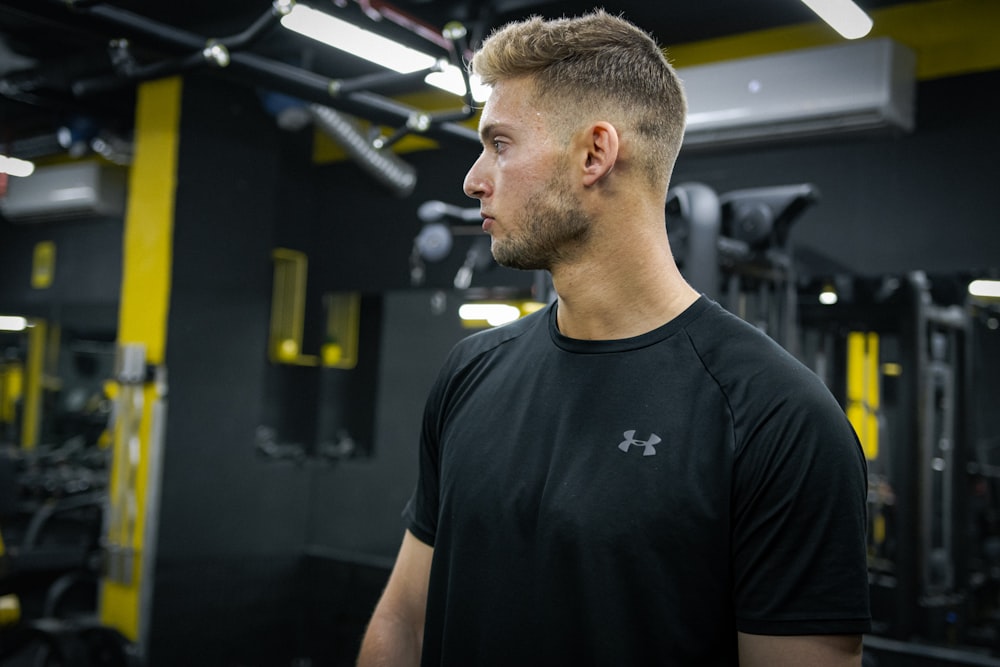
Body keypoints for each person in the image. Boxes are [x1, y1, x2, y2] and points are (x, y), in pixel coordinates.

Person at [357, 9, 871, 666]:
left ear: (595, 153)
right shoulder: (470, 372)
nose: (473, 179)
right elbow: (403, 622)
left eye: (501, 144)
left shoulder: (779, 420)